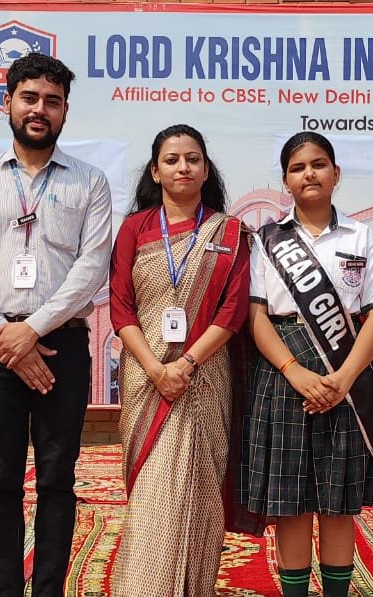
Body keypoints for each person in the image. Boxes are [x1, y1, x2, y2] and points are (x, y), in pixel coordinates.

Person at [0, 52, 112, 597]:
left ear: (65, 111)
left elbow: (91, 268)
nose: (40, 109)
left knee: (57, 479)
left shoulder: (90, 182)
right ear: (7, 102)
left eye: (53, 101)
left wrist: (33, 330)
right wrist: (5, 335)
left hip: (62, 346)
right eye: (30, 98)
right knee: (0, 479)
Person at [239, 131, 373, 597]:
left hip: (346, 371)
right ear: (285, 180)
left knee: (337, 502)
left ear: (336, 173)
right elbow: (256, 316)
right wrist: (294, 370)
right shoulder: (266, 240)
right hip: (283, 373)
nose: (309, 173)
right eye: (298, 167)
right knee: (290, 502)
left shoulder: (362, 236)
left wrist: (344, 379)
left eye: (319, 164)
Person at [108, 124, 250, 595]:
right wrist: (155, 369)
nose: (183, 167)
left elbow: (232, 311)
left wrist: (186, 364)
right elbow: (121, 307)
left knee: (201, 489)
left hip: (205, 376)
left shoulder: (230, 232)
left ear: (206, 169)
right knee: (154, 491)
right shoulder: (135, 228)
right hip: (145, 376)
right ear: (155, 171)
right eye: (172, 160)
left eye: (193, 159)